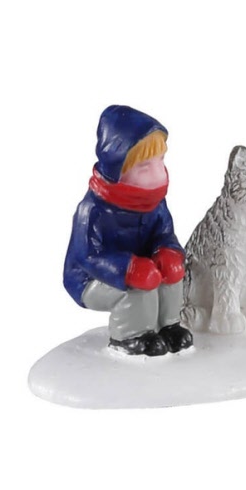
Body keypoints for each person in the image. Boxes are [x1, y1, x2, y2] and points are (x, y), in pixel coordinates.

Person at [64, 105, 193, 356]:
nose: (158, 172)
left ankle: (168, 325)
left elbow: (164, 233)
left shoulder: (155, 204)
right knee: (137, 289)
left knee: (172, 273)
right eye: (145, 167)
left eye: (160, 161)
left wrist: (168, 251)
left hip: (145, 267)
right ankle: (130, 335)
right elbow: (88, 256)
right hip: (90, 279)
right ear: (118, 169)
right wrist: (128, 269)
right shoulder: (92, 211)